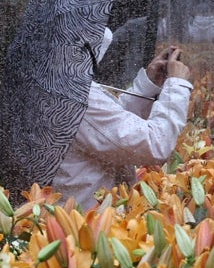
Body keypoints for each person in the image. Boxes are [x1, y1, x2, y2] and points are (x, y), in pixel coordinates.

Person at [51, 32, 193, 209]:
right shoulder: (75, 94)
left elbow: (106, 129)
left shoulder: (54, 81)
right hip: (89, 221)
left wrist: (147, 86)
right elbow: (156, 144)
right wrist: (176, 85)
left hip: (75, 209)